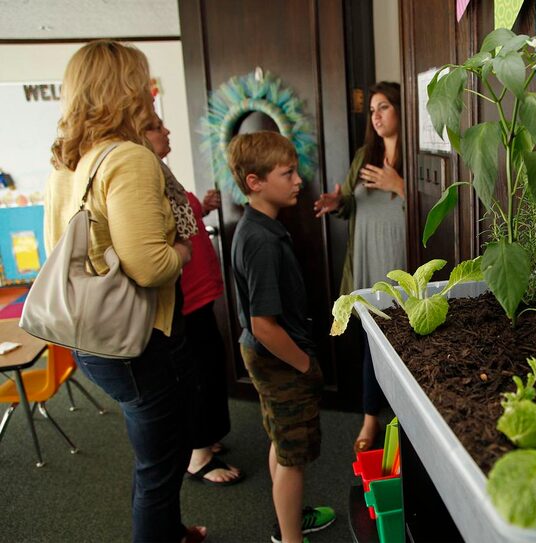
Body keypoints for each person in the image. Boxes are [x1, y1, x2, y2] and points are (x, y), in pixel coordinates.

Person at [44, 40, 204, 543]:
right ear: (124, 90)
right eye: (142, 81)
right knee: (162, 460)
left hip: (89, 334)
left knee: (156, 449)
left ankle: (170, 532)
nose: (149, 91)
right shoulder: (129, 158)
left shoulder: (68, 160)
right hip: (133, 337)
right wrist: (183, 250)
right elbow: (151, 266)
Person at [228, 131, 335, 543]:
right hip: (278, 357)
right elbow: (264, 325)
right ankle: (291, 538)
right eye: (287, 173)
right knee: (293, 458)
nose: (297, 181)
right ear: (255, 182)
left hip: (268, 355)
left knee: (281, 440)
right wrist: (305, 365)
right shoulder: (260, 241)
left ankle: (289, 519)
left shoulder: (260, 227)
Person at [145, 115, 242, 486]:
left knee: (210, 365)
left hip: (200, 294)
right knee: (196, 374)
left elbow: (179, 222)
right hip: (181, 300)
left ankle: (206, 437)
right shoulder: (143, 178)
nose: (166, 130)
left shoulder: (162, 175)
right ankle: (196, 455)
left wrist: (200, 206)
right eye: (156, 126)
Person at [313, 81, 405, 454]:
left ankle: (404, 420)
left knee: (405, 343)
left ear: (401, 109)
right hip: (367, 261)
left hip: (400, 262)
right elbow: (351, 205)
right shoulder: (363, 155)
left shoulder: (419, 154)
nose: (377, 115)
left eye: (384, 106)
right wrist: (338, 203)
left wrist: (398, 183)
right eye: (372, 110)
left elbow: (435, 209)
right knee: (371, 342)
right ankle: (370, 418)